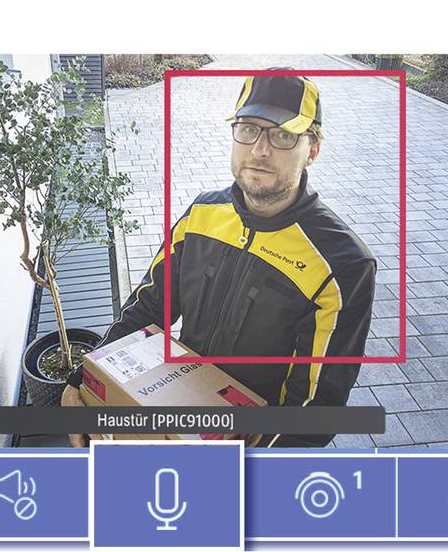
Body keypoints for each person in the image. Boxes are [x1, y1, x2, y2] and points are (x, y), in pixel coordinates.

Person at [109, 71, 379, 451]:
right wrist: (84, 382)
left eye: (283, 135)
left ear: (313, 149)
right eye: (248, 129)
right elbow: (147, 309)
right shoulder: (201, 214)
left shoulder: (341, 265)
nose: (260, 150)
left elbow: (312, 413)